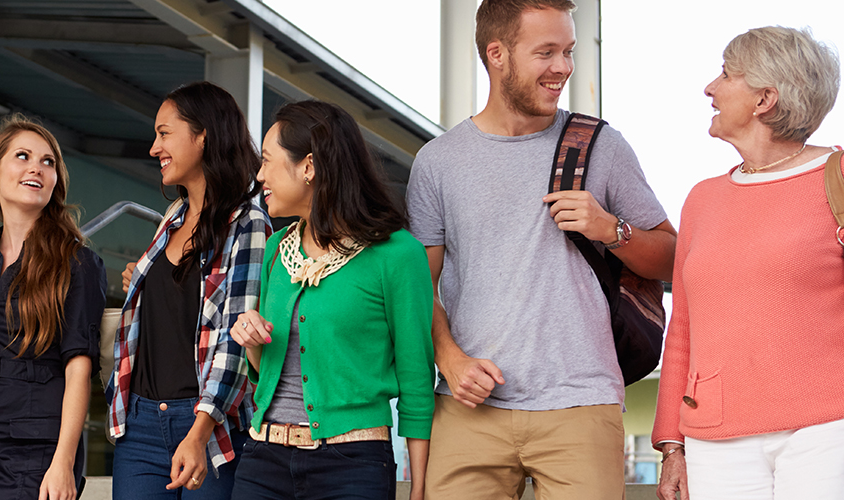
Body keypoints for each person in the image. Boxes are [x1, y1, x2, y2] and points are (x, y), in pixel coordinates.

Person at [405, 0, 678, 498]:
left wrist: (611, 228)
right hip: (469, 409)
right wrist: (448, 358)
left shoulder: (602, 146)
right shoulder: (437, 163)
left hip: (581, 403)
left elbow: (671, 257)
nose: (564, 69)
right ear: (497, 54)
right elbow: (418, 287)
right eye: (546, 52)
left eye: (569, 51)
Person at [652, 26, 844, 500]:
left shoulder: (838, 178)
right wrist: (671, 444)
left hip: (826, 427)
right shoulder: (702, 199)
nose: (710, 89)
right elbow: (683, 328)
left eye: (725, 74)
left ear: (764, 99)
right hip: (713, 436)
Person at [228, 100, 436, 500]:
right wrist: (252, 341)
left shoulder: (396, 254)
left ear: (309, 167)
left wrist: (420, 488)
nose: (259, 175)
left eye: (268, 161)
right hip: (262, 461)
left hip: (353, 465)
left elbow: (416, 379)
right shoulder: (276, 250)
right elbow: (263, 371)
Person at [108, 81, 271, 499]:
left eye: (165, 133)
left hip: (208, 427)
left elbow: (235, 338)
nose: (154, 147)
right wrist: (143, 282)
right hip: (140, 423)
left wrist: (199, 433)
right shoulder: (173, 217)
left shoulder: (248, 223)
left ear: (203, 136)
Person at [0, 114, 106, 499]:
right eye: (23, 156)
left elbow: (78, 370)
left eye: (48, 161)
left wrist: (64, 462)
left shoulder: (76, 263)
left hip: (37, 448)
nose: (37, 167)